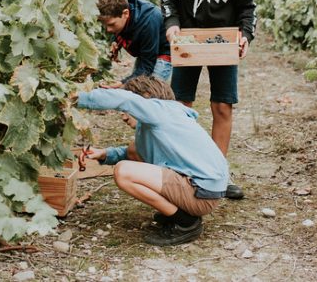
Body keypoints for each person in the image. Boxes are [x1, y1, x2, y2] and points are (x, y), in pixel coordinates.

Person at [159, 0, 256, 200]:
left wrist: (245, 35)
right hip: (188, 38)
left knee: (223, 106)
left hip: (222, 41)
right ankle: (181, 170)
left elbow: (247, 7)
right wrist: (172, 22)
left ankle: (217, 174)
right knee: (181, 105)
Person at [77, 76, 229, 246]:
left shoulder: (160, 111)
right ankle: (180, 212)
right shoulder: (164, 120)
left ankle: (186, 223)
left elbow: (125, 100)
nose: (124, 117)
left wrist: (76, 97)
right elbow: (134, 152)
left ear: (146, 97)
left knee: (123, 172)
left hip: (201, 193)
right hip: (204, 190)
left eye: (128, 111)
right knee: (130, 159)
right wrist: (104, 154)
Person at [97, 0, 172, 86]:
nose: (108, 29)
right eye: (105, 25)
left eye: (112, 24)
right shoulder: (121, 9)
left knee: (151, 92)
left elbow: (146, 67)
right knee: (135, 87)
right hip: (145, 53)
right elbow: (117, 28)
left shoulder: (148, 22)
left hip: (162, 55)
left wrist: (122, 83)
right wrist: (115, 42)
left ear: (126, 13)